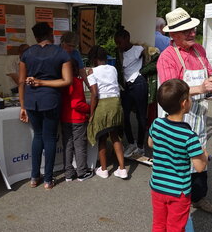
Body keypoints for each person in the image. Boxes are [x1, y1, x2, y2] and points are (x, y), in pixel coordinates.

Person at [157, 7, 212, 214]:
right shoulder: (167, 57)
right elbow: (170, 91)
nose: (192, 33)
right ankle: (177, 200)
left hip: (199, 114)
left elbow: (210, 74)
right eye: (186, 31)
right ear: (172, 34)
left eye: (192, 29)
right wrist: (200, 88)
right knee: (180, 162)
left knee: (200, 158)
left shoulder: (199, 50)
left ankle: (199, 197)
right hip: (178, 117)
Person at [148, 79, 208, 232]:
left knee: (158, 225)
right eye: (189, 97)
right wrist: (205, 154)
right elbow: (200, 167)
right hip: (178, 192)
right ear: (184, 103)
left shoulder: (156, 124)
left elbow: (151, 143)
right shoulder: (189, 136)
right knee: (176, 229)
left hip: (158, 186)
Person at [19, 22, 73, 190]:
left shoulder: (27, 54)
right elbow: (67, 80)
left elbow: (21, 81)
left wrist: (22, 106)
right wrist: (43, 82)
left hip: (31, 100)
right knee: (49, 138)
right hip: (51, 100)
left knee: (38, 136)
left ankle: (35, 177)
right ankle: (48, 180)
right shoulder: (61, 53)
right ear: (50, 34)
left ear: (35, 37)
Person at [87, 45, 127, 179]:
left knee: (102, 137)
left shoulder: (92, 71)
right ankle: (122, 169)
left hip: (103, 105)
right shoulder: (113, 69)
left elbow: (94, 94)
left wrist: (91, 113)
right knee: (115, 136)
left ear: (93, 59)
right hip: (116, 103)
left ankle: (104, 170)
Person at [114, 26, 148, 157]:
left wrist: (142, 72)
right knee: (124, 115)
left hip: (139, 84)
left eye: (120, 42)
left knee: (140, 115)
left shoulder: (138, 49)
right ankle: (131, 143)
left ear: (127, 38)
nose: (118, 45)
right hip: (126, 87)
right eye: (116, 42)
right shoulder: (119, 53)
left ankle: (140, 145)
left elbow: (153, 58)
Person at [61, 59, 94, 182]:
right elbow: (76, 103)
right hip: (77, 119)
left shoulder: (62, 83)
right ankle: (81, 172)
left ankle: (68, 173)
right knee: (79, 145)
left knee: (68, 145)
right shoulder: (77, 82)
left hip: (65, 118)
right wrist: (89, 109)